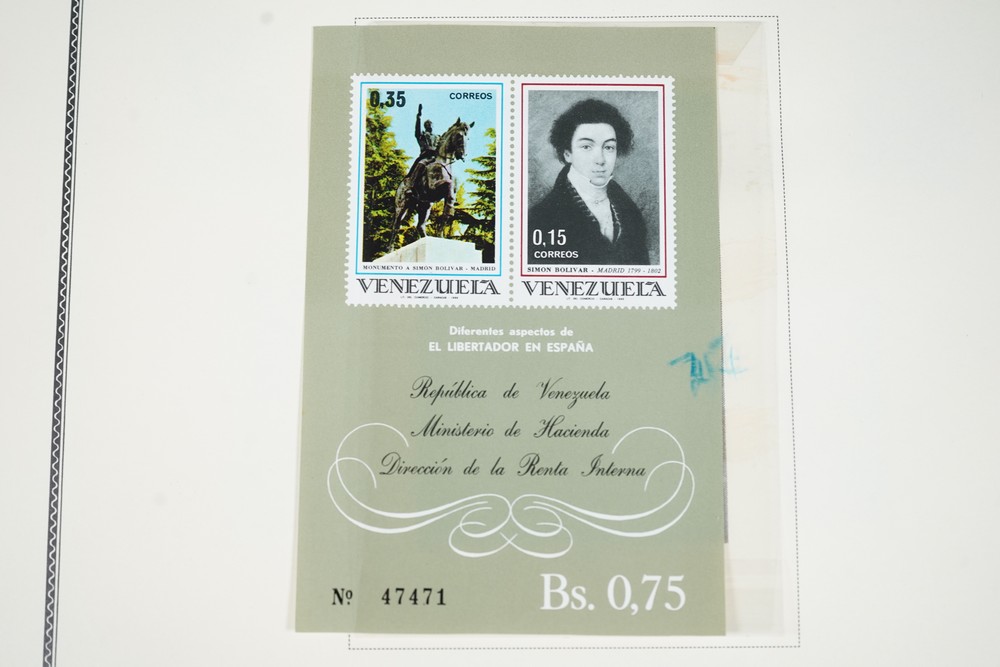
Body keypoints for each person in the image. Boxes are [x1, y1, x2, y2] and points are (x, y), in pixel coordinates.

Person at [527, 98, 649, 265]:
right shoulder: (541, 217)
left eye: (608, 147)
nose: (600, 160)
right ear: (567, 154)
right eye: (586, 147)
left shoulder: (630, 213)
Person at [404, 104, 438, 196]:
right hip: (425, 156)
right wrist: (418, 117)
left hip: (436, 157)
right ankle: (410, 186)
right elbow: (417, 130)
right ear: (425, 126)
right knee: (420, 165)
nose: (429, 125)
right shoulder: (422, 135)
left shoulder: (437, 137)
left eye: (431, 124)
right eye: (427, 124)